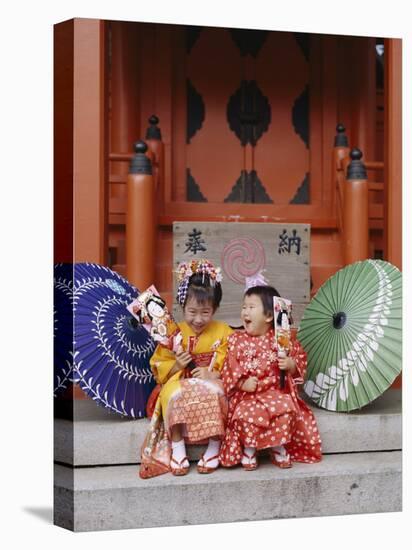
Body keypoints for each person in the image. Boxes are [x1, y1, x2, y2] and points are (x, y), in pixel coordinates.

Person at [139, 259, 233, 478]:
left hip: (210, 379)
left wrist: (213, 373)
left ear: (215, 309)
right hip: (179, 379)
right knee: (173, 393)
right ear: (182, 307)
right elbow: (159, 370)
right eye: (191, 312)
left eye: (205, 312)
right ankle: (178, 446)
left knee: (216, 391)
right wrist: (177, 364)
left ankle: (214, 445)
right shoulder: (172, 332)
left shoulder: (224, 331)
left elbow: (232, 362)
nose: (198, 319)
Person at [219, 281, 322, 471]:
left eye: (251, 307)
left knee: (285, 409)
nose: (245, 312)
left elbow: (299, 358)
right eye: (244, 307)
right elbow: (229, 367)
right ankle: (249, 449)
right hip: (249, 395)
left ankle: (277, 446)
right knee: (245, 415)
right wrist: (242, 383)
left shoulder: (281, 339)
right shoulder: (236, 339)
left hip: (275, 392)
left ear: (268, 315)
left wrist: (291, 365)